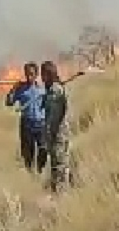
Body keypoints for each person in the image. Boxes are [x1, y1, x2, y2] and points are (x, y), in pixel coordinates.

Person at [5, 62, 47, 173]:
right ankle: (30, 174)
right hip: (26, 123)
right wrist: (13, 90)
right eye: (27, 74)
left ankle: (40, 169)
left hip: (41, 123)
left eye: (32, 74)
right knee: (28, 152)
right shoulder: (20, 89)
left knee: (44, 149)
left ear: (36, 74)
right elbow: (9, 103)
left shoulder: (43, 88)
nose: (29, 77)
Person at [40, 60, 73, 193]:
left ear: (48, 74)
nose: (42, 78)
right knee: (59, 165)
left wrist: (45, 141)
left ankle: (61, 196)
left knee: (59, 166)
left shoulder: (55, 90)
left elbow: (53, 117)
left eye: (43, 75)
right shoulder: (53, 90)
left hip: (57, 134)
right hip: (57, 134)